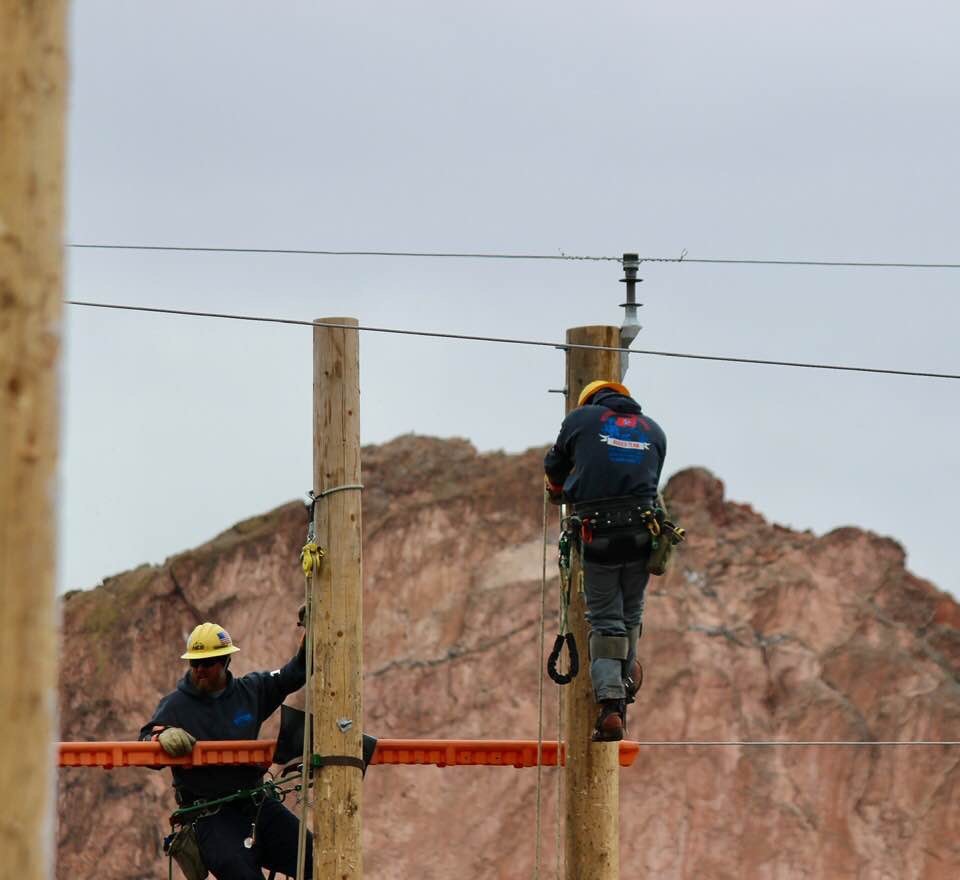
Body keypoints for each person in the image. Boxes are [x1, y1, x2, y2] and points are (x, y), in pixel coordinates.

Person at [544, 379, 667, 742]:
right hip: (644, 534)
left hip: (598, 534)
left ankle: (611, 704)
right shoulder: (655, 430)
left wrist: (557, 491)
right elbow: (649, 481)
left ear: (590, 400)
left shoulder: (581, 419)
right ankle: (624, 682)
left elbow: (554, 465)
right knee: (631, 614)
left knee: (606, 620)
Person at [140, 619, 311, 879]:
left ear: (226, 661)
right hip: (211, 815)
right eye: (194, 663)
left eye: (207, 663)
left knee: (313, 857)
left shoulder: (251, 691)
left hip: (255, 802)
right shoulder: (175, 706)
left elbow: (294, 674)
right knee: (240, 873)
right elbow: (145, 742)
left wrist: (314, 630)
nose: (199, 670)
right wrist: (159, 738)